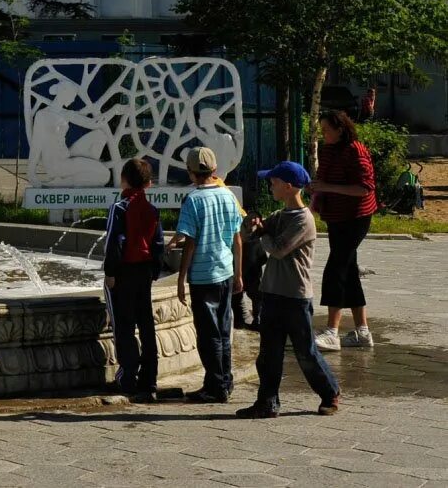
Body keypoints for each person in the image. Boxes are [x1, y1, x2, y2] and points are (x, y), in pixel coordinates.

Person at [236, 161, 341, 419]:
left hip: (295, 296)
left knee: (306, 353)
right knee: (268, 354)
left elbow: (278, 249)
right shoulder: (280, 215)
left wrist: (262, 234)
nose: (270, 186)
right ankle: (267, 402)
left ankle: (330, 393)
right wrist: (252, 224)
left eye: (273, 182)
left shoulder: (303, 220)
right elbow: (252, 234)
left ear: (289, 186)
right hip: (272, 292)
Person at [175, 145, 244, 404]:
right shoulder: (227, 196)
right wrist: (238, 273)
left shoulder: (192, 200)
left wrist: (181, 278)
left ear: (190, 173)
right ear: (214, 170)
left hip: (203, 277)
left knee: (208, 334)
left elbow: (190, 243)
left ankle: (215, 386)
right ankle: (226, 380)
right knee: (224, 329)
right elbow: (238, 239)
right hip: (225, 271)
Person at [312, 109, 378, 351]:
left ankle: (332, 331)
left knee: (335, 270)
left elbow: (364, 188)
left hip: (356, 217)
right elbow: (324, 178)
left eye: (327, 130)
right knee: (349, 270)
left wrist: (328, 187)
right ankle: (362, 331)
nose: (324, 134)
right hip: (335, 217)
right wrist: (317, 192)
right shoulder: (328, 150)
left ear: (340, 130)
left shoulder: (356, 151)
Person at [103, 157, 165, 403]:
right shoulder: (151, 209)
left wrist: (110, 273)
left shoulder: (119, 208)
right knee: (146, 325)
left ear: (124, 179)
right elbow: (158, 244)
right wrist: (154, 272)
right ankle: (149, 380)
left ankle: (128, 377)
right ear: (149, 184)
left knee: (124, 325)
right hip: (144, 273)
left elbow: (113, 243)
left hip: (124, 272)